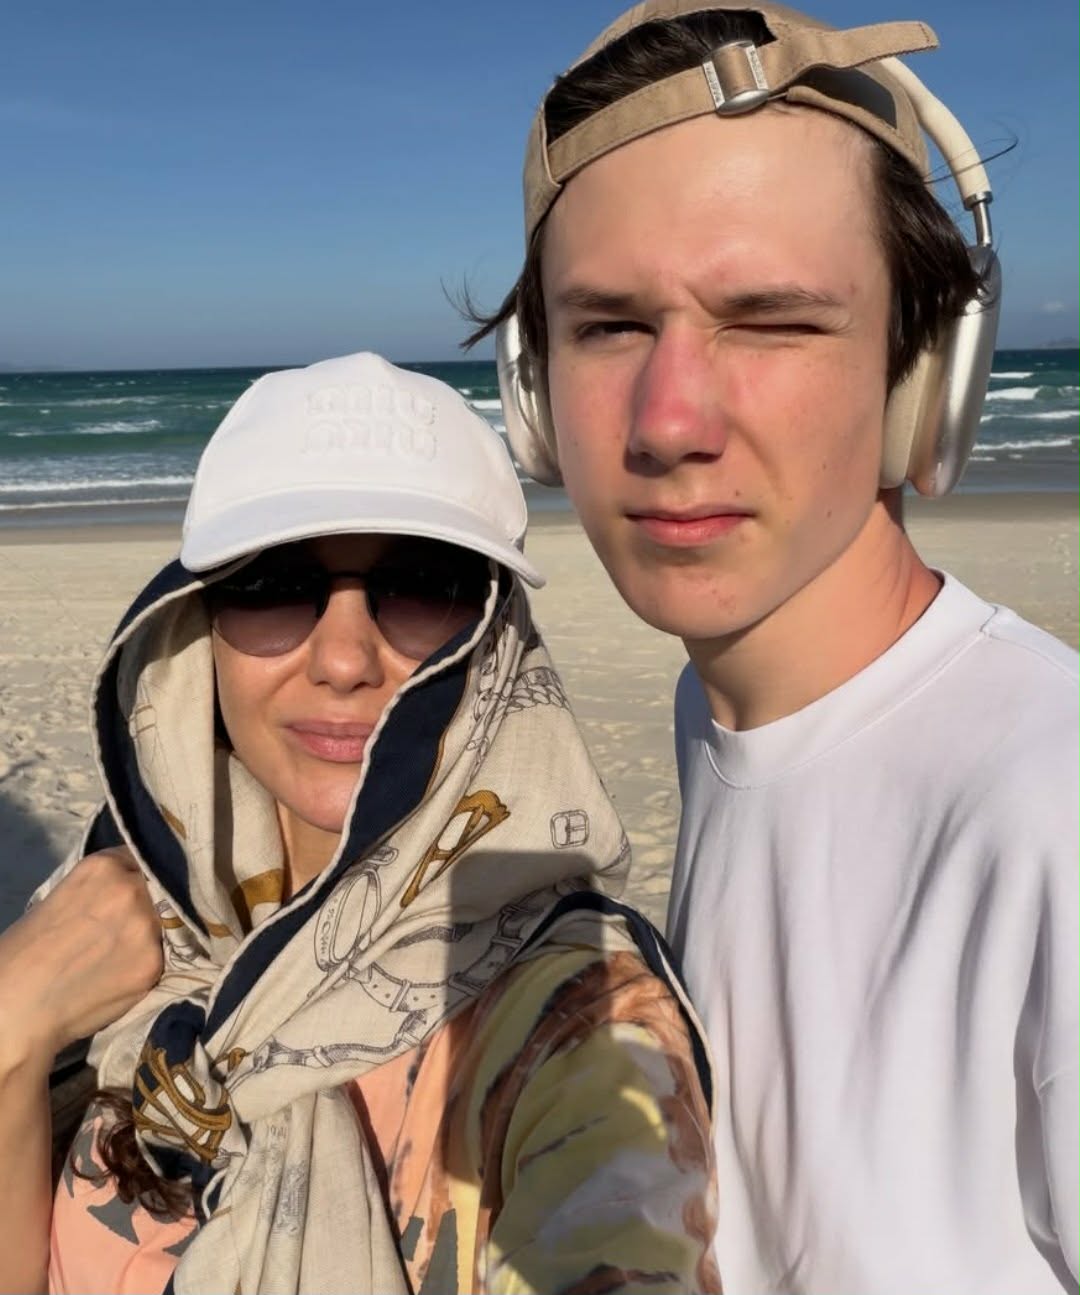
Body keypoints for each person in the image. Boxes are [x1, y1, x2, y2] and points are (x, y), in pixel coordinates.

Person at [466, 2, 1080, 1291]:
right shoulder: (721, 711)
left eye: (772, 320)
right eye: (609, 325)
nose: (669, 420)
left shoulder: (1050, 802)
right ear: (533, 396)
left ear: (924, 374)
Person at [0, 352, 719, 1294]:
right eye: (271, 584)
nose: (343, 659)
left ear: (495, 640)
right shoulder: (117, 899)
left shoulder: (577, 1024)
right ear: (196, 628)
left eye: (421, 584)